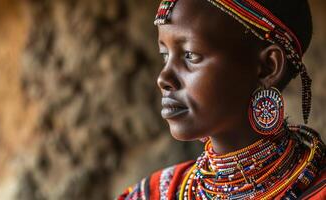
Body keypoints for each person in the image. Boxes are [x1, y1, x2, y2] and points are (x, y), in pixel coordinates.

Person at [118, 0, 326, 199]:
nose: (163, 78)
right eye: (165, 55)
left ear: (268, 67)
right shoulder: (153, 194)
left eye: (190, 55)